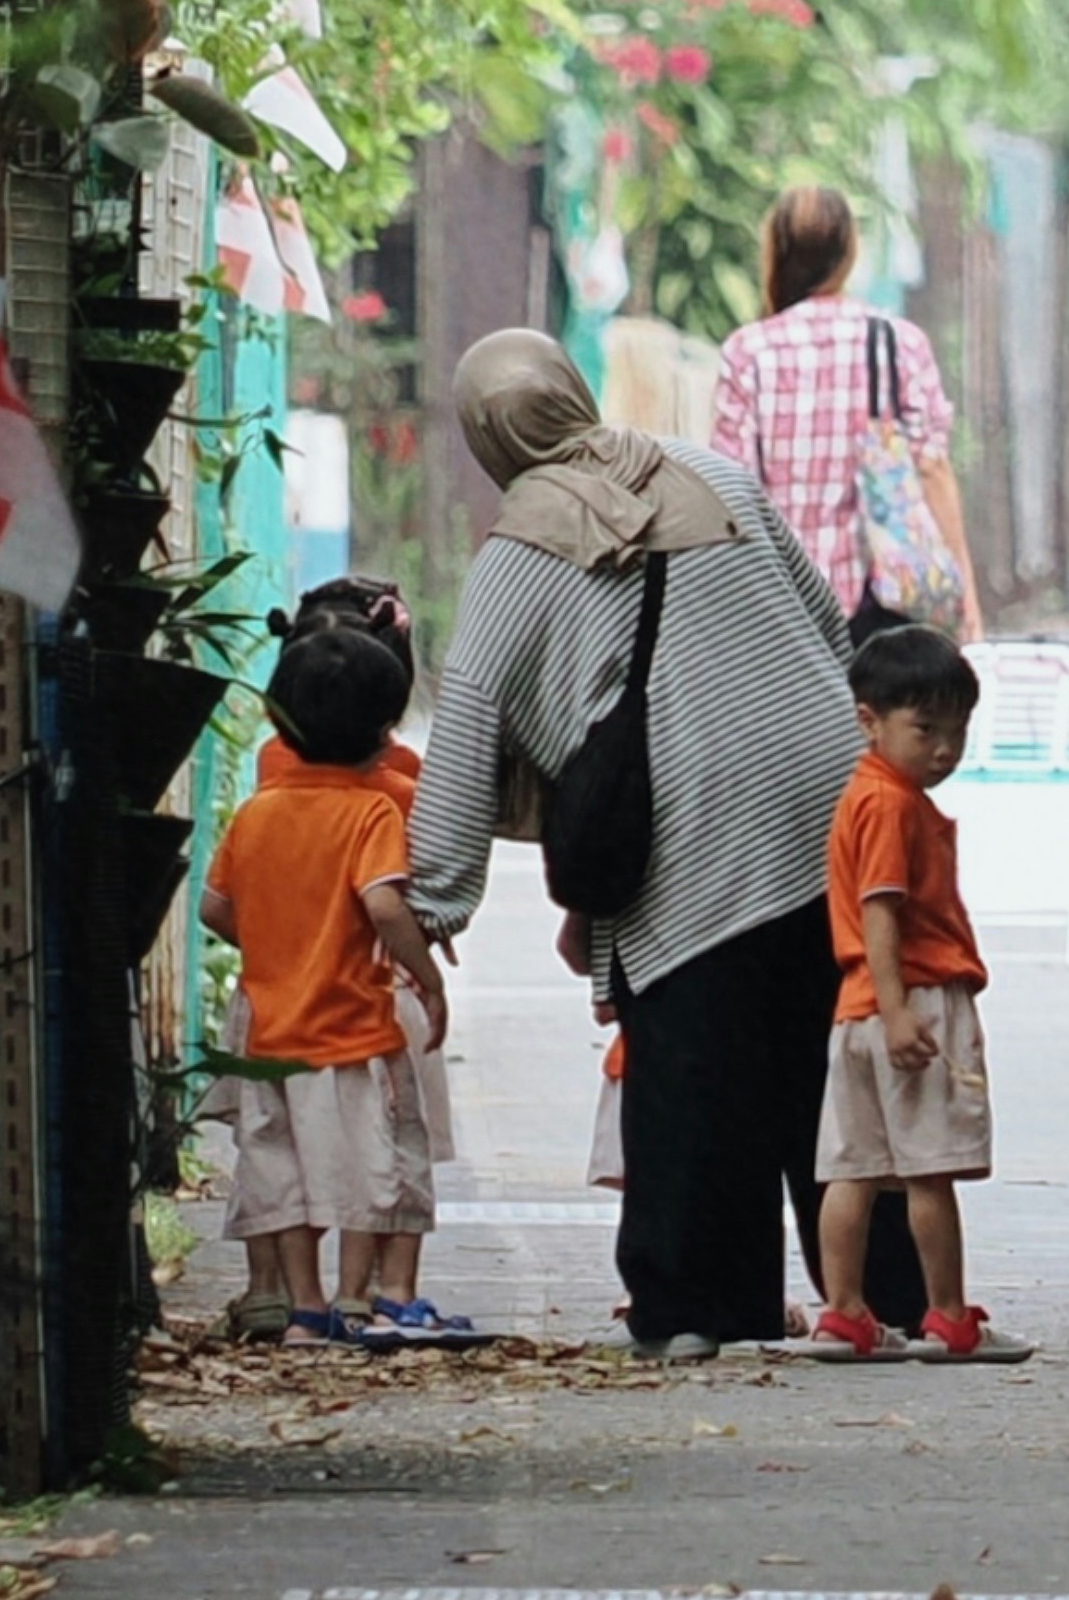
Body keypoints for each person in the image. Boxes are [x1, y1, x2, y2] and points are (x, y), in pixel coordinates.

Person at [385, 333, 904, 1361]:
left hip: (688, 817)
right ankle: (892, 1294)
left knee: (694, 1068)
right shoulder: (714, 475)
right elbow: (825, 627)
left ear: (487, 435)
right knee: (831, 1056)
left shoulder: (516, 558)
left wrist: (432, 901)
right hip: (828, 791)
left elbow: (467, 729)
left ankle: (702, 1307)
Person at [203, 616, 450, 1349]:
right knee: (373, 1160)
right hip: (352, 1027)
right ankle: (356, 1299)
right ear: (383, 731)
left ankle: (303, 1309)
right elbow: (383, 903)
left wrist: (278, 944)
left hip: (267, 1031)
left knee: (278, 1165)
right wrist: (427, 977)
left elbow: (215, 908)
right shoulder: (370, 810)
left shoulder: (257, 812)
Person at [809, 620, 1026, 1364]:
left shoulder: (862, 793)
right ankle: (948, 1316)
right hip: (914, 999)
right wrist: (900, 1009)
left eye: (957, 731)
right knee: (930, 1171)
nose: (943, 749)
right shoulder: (894, 804)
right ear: (869, 720)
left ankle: (844, 1313)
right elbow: (881, 908)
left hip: (855, 1009)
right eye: (925, 729)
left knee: (852, 1170)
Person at [708, 176, 975, 629]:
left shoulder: (747, 352)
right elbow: (932, 470)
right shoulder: (898, 343)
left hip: (782, 605)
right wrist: (966, 599)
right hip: (883, 605)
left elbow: (729, 491)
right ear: (849, 253)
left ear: (775, 251)